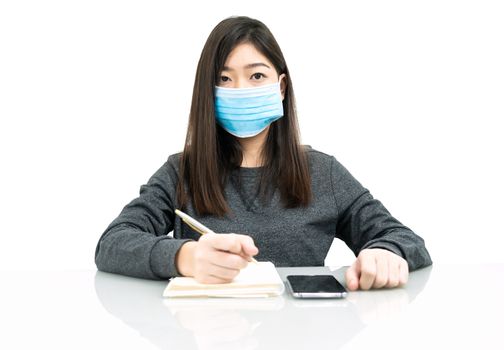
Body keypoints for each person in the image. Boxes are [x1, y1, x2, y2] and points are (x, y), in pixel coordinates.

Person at [95, 16, 432, 291]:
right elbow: (112, 244)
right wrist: (186, 257)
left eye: (257, 75)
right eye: (224, 79)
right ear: (207, 93)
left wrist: (385, 253)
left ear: (281, 87)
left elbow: (404, 238)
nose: (240, 90)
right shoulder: (182, 170)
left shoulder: (323, 172)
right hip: (212, 334)